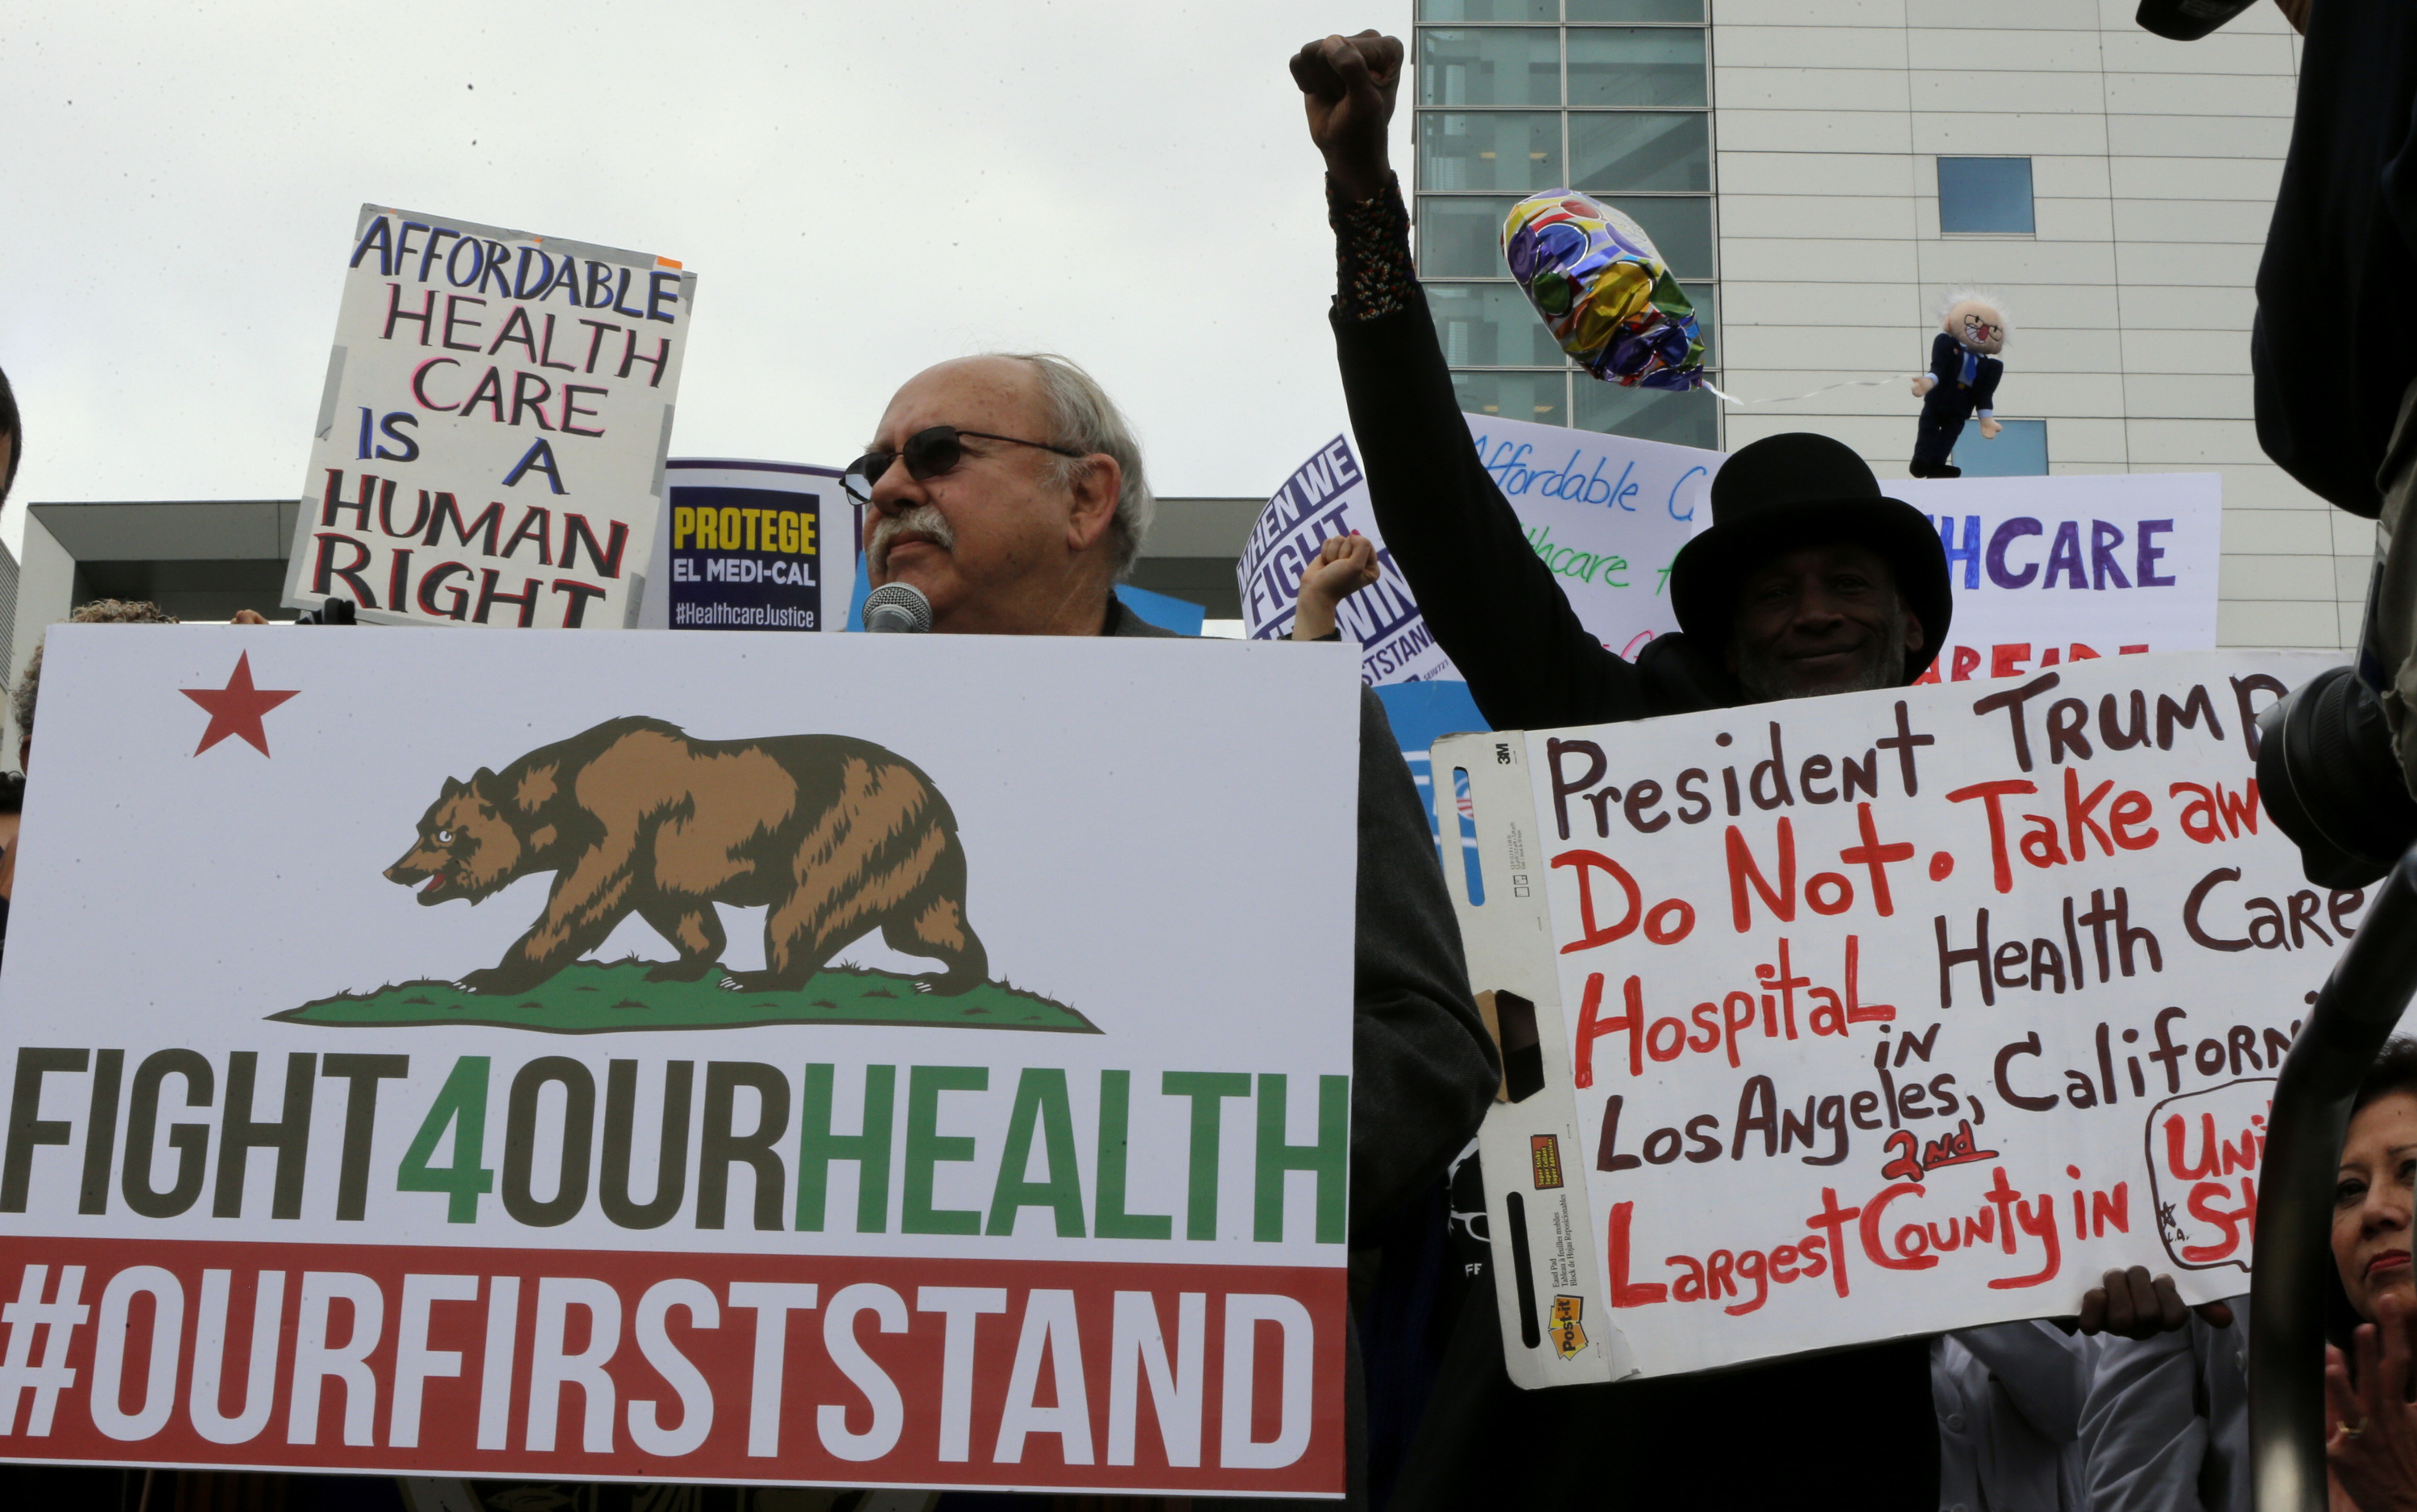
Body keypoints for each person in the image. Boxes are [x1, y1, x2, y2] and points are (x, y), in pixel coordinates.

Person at [1291, 28, 1954, 1507]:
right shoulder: (1624, 747)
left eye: (1848, 580)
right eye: (1774, 594)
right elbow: (1448, 523)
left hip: (1854, 1380)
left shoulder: (2002, 824)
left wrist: (2142, 1270)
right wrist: (1363, 204)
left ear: (1912, 625)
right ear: (1723, 638)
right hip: (1594, 1386)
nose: (1815, 611)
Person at [849, 349, 1501, 1506]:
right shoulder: (814, 755)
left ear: (1086, 499)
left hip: (1184, 1422)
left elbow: (1427, 1042)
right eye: (878, 465)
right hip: (865, 1414)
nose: (892, 485)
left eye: (938, 454)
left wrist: (1162, 1172)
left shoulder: (1266, 728)